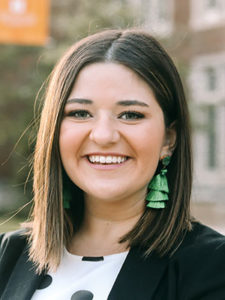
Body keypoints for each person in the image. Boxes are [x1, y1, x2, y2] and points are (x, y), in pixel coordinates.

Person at [0, 29, 225, 300]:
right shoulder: (9, 253)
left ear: (169, 138)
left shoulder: (212, 266)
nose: (104, 135)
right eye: (80, 113)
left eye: (130, 114)